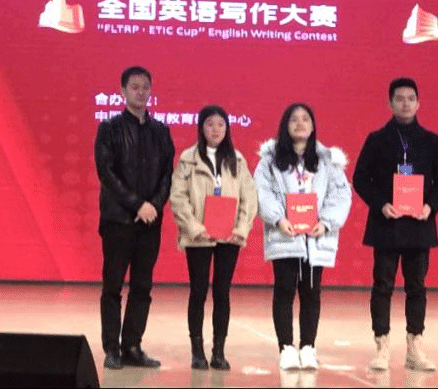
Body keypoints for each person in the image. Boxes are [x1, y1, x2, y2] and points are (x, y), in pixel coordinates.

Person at [351, 77, 438, 372]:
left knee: (416, 286)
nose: (405, 103)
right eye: (399, 98)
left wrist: (429, 206)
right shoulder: (376, 139)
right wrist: (381, 204)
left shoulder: (431, 141)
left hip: (419, 225)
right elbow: (360, 178)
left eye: (410, 98)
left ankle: (414, 346)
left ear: (418, 103)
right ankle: (382, 345)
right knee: (382, 285)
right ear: (390, 103)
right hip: (387, 222)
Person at [254, 103, 352, 370]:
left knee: (311, 292)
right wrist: (278, 218)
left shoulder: (328, 161)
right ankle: (286, 348)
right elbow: (262, 192)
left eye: (305, 119)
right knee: (284, 290)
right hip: (284, 234)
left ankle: (308, 346)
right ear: (285, 125)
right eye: (294, 119)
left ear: (313, 125)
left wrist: (327, 223)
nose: (300, 123)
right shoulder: (270, 161)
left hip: (314, 237)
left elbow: (340, 194)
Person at [94, 66, 175, 369]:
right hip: (118, 220)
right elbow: (107, 173)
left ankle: (132, 346)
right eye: (135, 87)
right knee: (113, 286)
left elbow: (167, 175)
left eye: (145, 87)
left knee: (142, 287)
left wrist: (154, 205)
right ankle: (111, 348)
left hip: (150, 222)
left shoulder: (161, 132)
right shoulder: (109, 129)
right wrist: (137, 204)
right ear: (123, 91)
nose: (141, 92)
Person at [170, 105, 258, 371]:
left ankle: (219, 351)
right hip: (199, 235)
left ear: (227, 128)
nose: (215, 129)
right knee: (198, 291)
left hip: (229, 236)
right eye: (209, 124)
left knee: (222, 292)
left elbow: (249, 197)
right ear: (201, 128)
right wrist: (194, 227)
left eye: (220, 124)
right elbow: (178, 197)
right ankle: (197, 351)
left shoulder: (237, 160)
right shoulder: (188, 159)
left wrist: (241, 229)